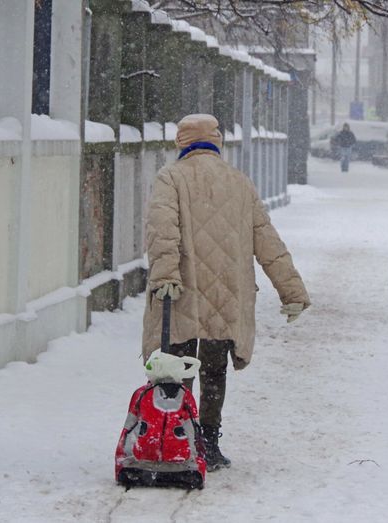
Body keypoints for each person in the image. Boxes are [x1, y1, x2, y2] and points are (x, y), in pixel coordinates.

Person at [142, 113, 311, 471]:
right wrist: (290, 289)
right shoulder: (239, 183)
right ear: (216, 142)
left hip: (184, 290)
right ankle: (209, 440)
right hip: (227, 291)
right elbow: (266, 239)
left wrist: (166, 275)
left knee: (177, 365)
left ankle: (178, 436)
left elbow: (163, 232)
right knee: (214, 370)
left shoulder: (170, 178)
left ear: (182, 143)